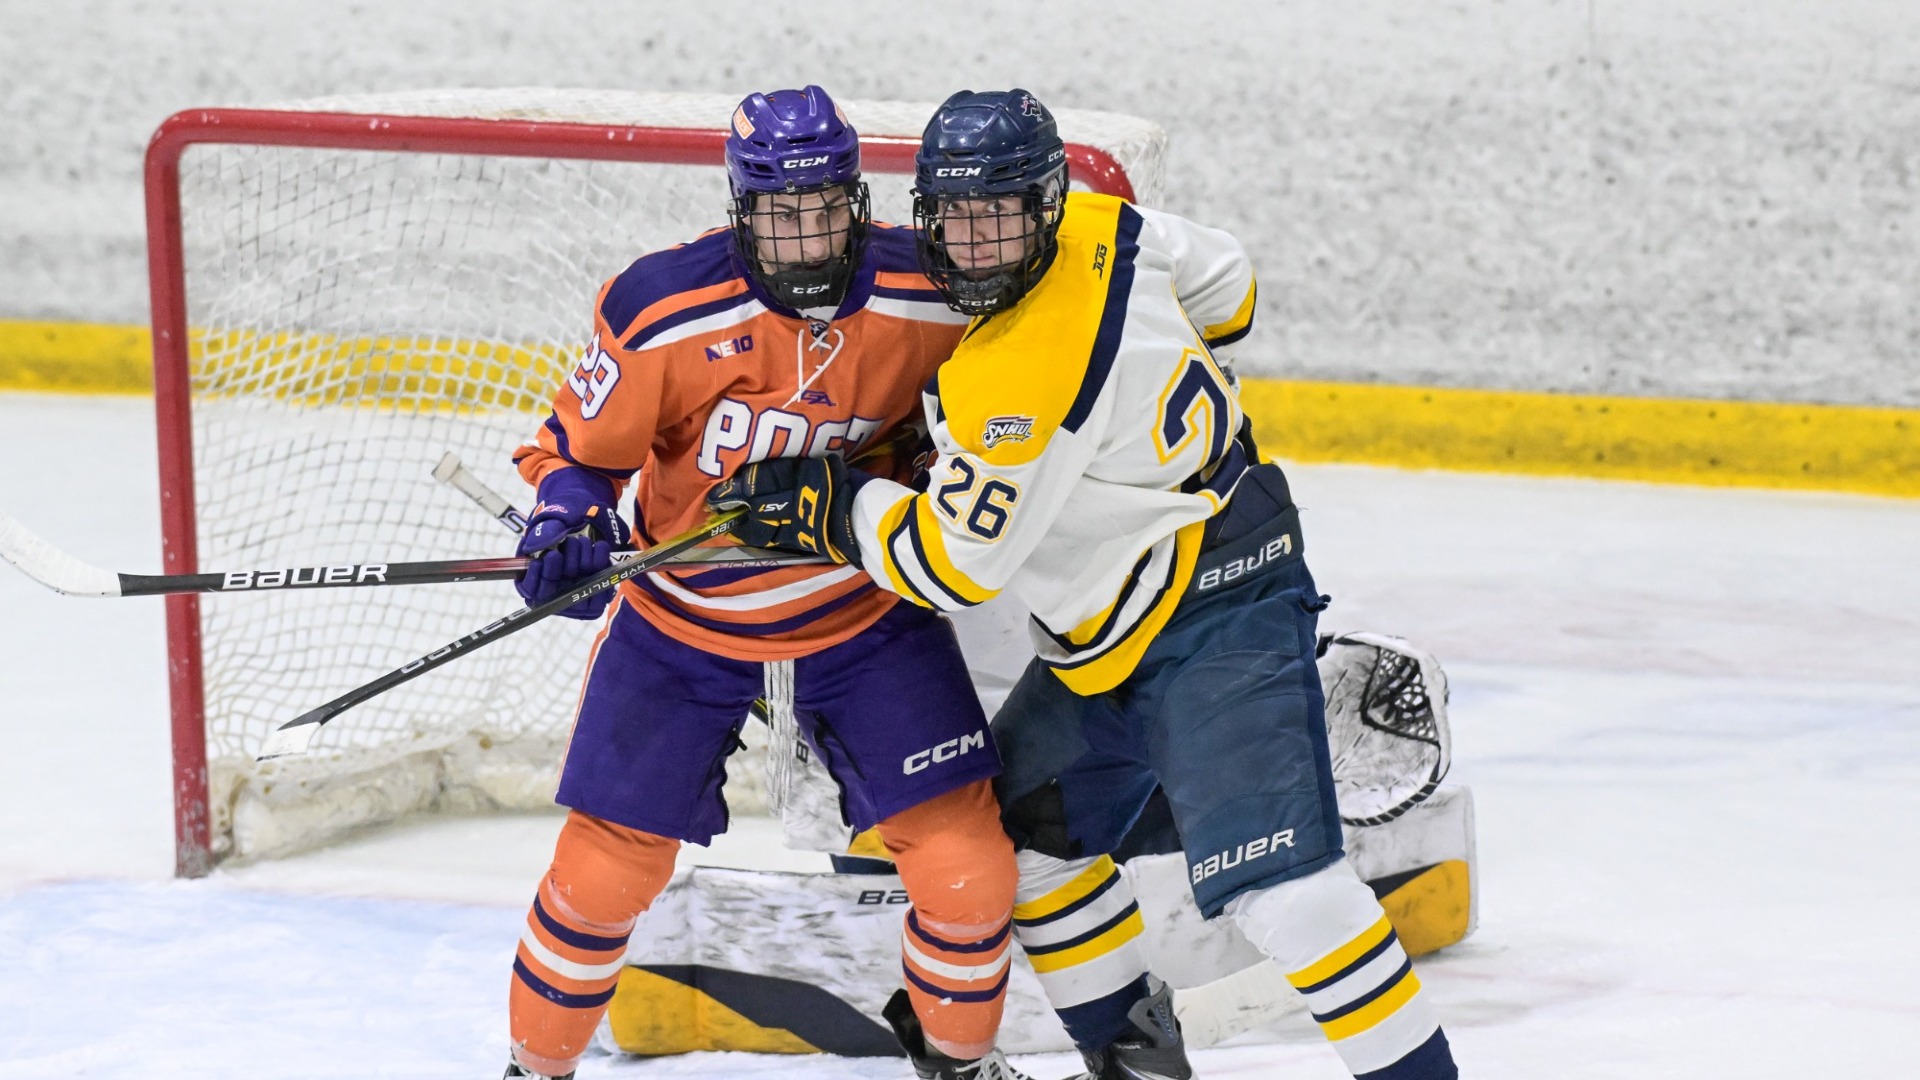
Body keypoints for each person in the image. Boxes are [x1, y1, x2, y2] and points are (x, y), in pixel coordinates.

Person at [708, 89, 1461, 1080]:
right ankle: (1137, 1068)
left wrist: (832, 510)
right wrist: (1142, 418)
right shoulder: (1111, 223)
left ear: (1044, 204)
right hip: (1112, 630)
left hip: (1214, 613)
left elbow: (954, 567)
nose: (977, 246)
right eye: (959, 219)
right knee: (1021, 850)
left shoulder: (1015, 379)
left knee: (1284, 892)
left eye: (1001, 218)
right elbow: (1228, 284)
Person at [504, 85, 1032, 1080]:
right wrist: (565, 524)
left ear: (857, 201)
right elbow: (573, 455)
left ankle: (961, 1066)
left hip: (865, 615)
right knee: (599, 880)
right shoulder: (662, 308)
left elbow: (987, 424)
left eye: (827, 207)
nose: (808, 233)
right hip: (684, 623)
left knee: (969, 876)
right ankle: (534, 1071)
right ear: (745, 209)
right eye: (784, 213)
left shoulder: (936, 292)